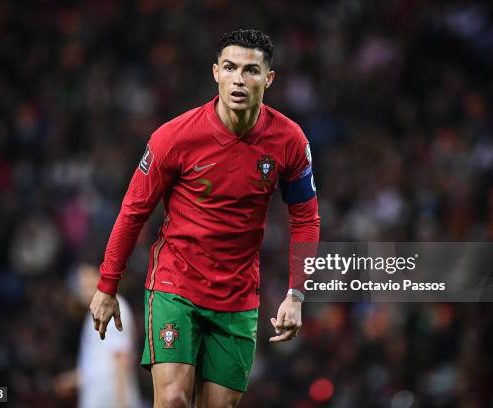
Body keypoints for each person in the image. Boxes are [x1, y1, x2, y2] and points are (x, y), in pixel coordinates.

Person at [89, 29, 320, 407]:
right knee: (175, 399)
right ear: (215, 73)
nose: (239, 80)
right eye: (230, 68)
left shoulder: (289, 141)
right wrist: (107, 284)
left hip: (237, 296)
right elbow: (134, 211)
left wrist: (296, 294)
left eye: (250, 71)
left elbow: (306, 218)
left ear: (269, 79)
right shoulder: (174, 138)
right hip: (175, 286)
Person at [55, 263, 143, 408]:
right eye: (81, 280)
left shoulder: (111, 306)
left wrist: (121, 404)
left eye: (90, 276)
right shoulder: (91, 315)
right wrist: (72, 380)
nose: (85, 283)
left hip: (112, 401)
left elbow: (122, 358)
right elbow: (97, 366)